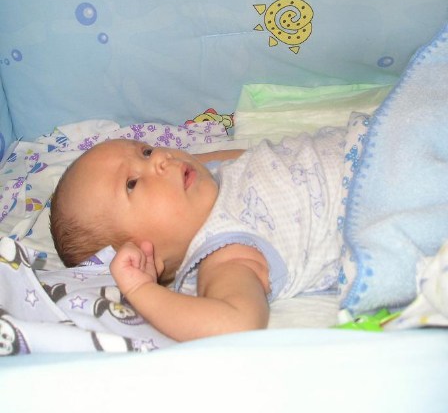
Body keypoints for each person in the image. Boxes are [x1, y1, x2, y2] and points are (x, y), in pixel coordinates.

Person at [50, 128, 347, 342]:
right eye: (132, 183)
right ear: (142, 253)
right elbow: (237, 322)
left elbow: (239, 157)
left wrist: (179, 166)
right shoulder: (225, 254)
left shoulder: (209, 179)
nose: (161, 158)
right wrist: (141, 290)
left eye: (146, 151)